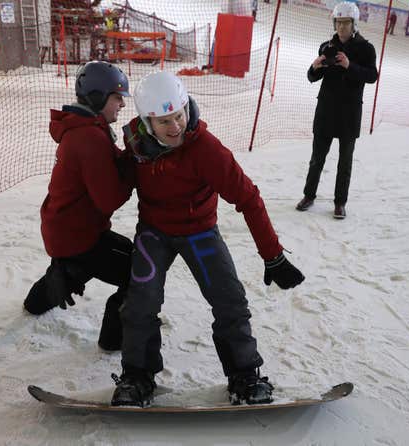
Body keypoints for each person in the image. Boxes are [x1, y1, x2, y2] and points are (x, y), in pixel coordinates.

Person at [109, 71, 305, 407]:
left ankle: (244, 374)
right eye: (164, 121)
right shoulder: (136, 147)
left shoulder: (206, 149)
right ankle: (137, 376)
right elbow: (112, 188)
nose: (175, 127)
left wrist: (272, 255)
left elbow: (248, 197)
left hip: (199, 231)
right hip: (154, 233)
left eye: (179, 115)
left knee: (229, 298)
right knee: (142, 300)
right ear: (146, 122)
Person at [23, 61, 134, 352]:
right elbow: (109, 198)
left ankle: (56, 281)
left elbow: (105, 169)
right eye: (116, 96)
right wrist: (134, 168)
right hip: (78, 236)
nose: (122, 103)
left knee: (83, 265)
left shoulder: (85, 127)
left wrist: (128, 156)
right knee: (140, 271)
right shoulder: (89, 137)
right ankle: (115, 340)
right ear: (98, 97)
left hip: (66, 228)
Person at [296, 1, 378, 219]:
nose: (342, 27)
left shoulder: (366, 48)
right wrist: (314, 68)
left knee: (345, 162)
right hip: (325, 111)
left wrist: (350, 66)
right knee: (317, 159)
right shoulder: (327, 46)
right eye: (339, 22)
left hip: (349, 115)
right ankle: (309, 196)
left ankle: (340, 203)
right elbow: (313, 77)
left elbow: (372, 76)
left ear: (354, 23)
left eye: (346, 23)